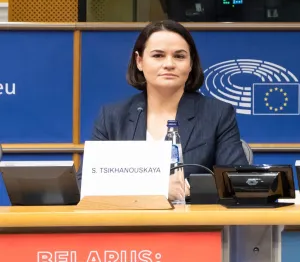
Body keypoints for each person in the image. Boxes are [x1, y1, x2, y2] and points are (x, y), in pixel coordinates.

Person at [90, 20, 247, 200]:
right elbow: (85, 183)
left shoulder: (218, 113)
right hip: (128, 222)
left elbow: (236, 182)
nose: (169, 64)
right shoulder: (112, 117)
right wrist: (156, 188)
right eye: (158, 55)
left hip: (191, 223)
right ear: (139, 61)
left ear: (190, 63)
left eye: (179, 56)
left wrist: (191, 190)